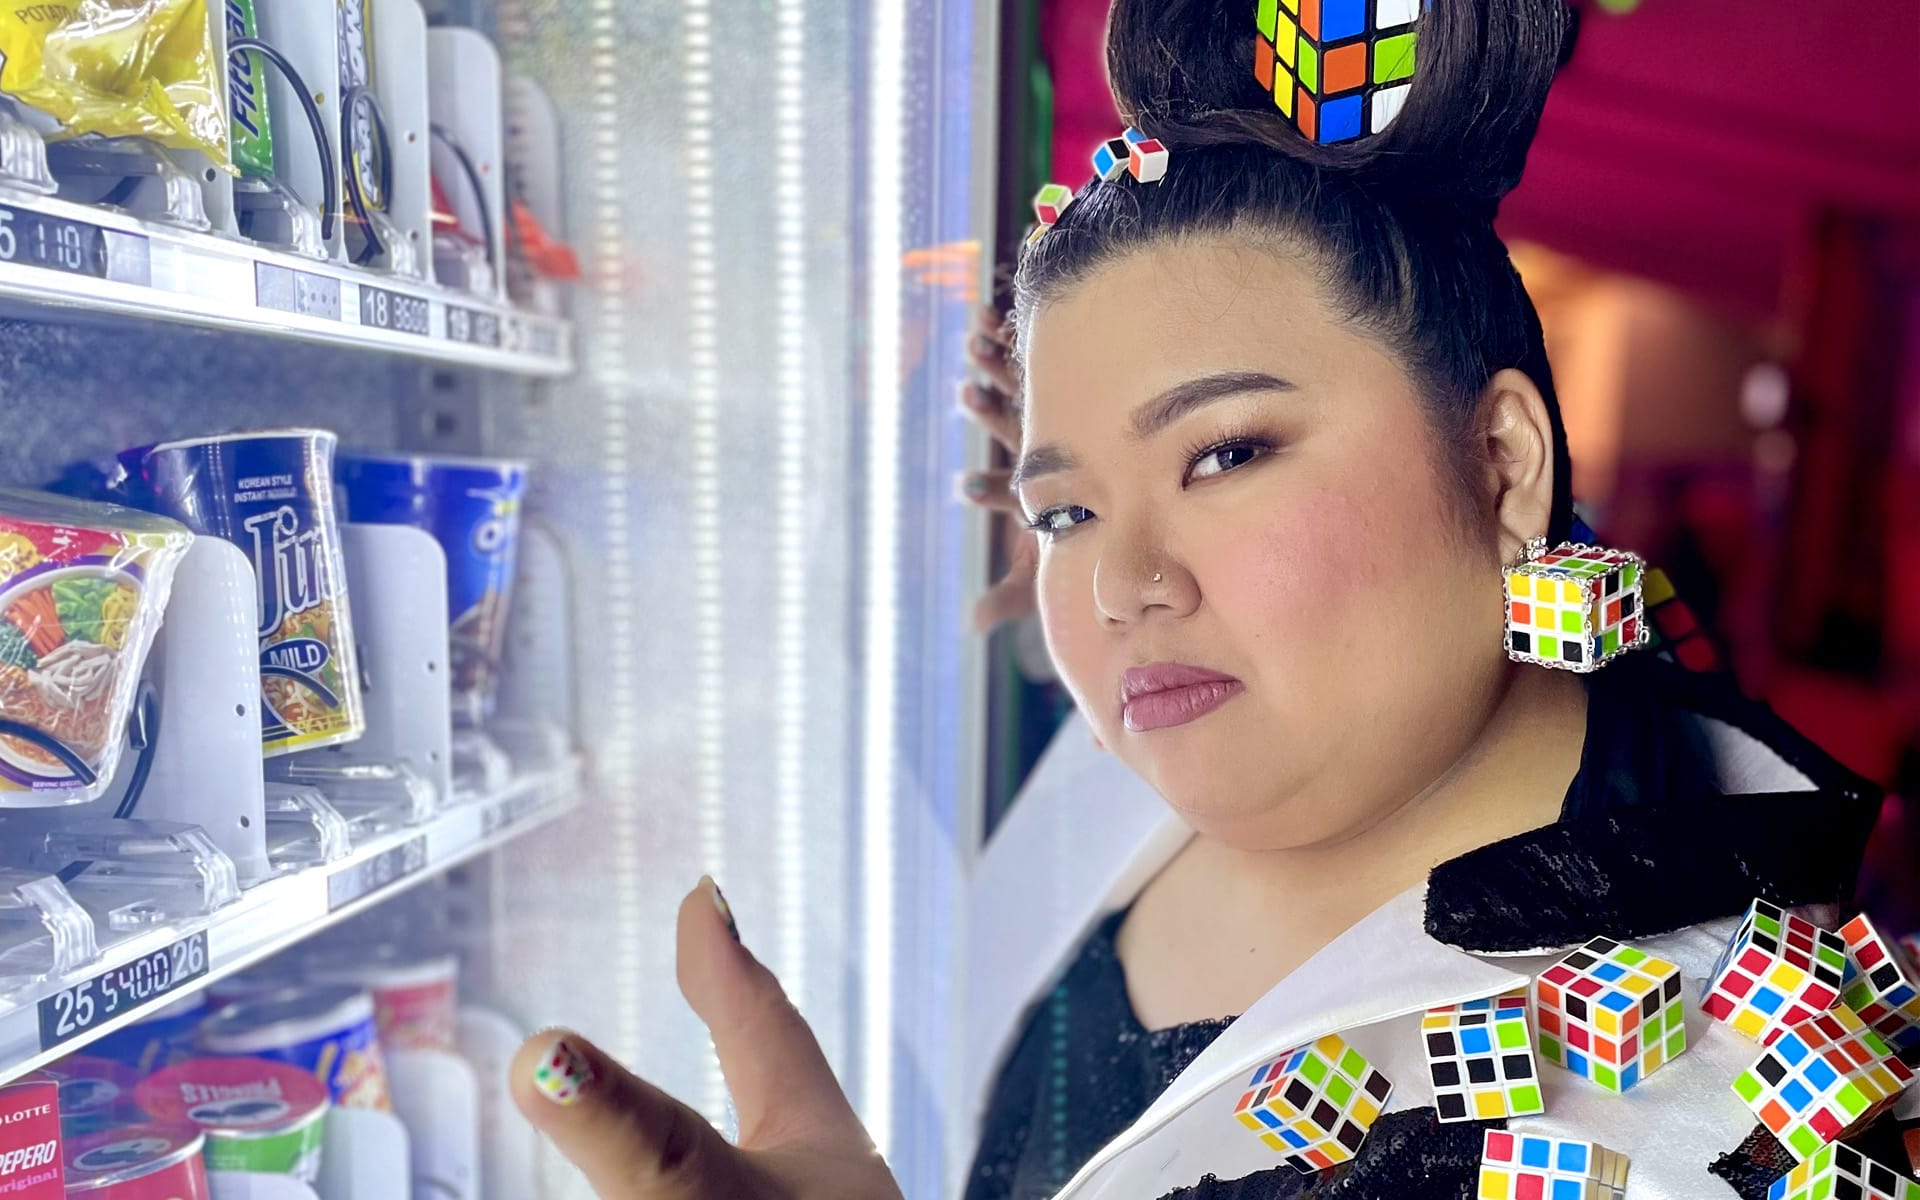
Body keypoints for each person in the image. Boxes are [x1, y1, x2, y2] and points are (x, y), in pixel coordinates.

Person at [502, 0, 1896, 1194]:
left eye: (1227, 452)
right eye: (1066, 510)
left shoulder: (1723, 1117)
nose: (1119, 586)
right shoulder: (1217, 736)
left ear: (1501, 460)